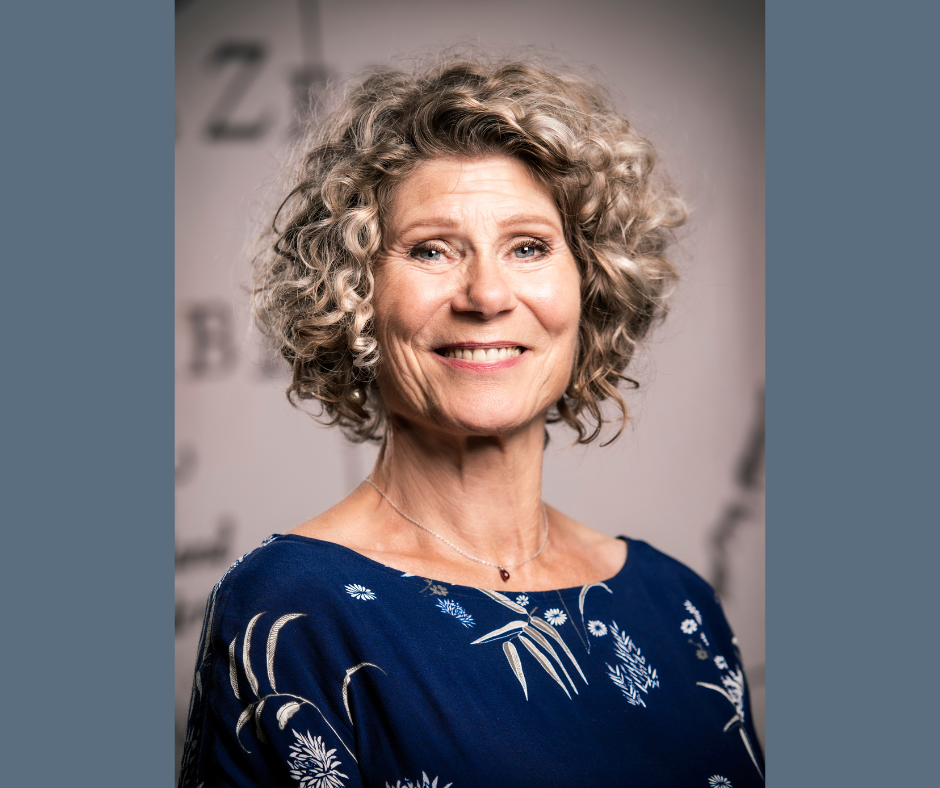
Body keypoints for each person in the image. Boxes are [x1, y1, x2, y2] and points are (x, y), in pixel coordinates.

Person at [179, 56, 764, 787]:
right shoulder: (291, 612)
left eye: (528, 247)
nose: (486, 295)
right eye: (432, 250)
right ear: (354, 296)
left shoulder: (677, 604)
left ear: (590, 289)